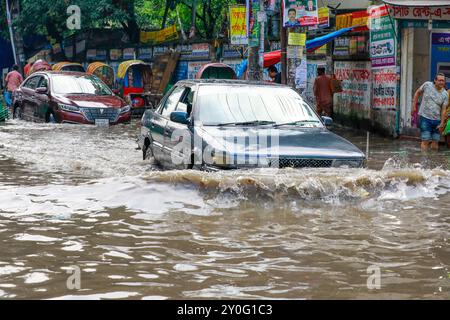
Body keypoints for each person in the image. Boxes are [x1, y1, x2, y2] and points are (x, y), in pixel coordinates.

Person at [412, 73, 449, 151]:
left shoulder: (445, 94)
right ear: (435, 80)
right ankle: (424, 160)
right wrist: (414, 106)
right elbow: (417, 93)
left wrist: (442, 123)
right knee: (425, 140)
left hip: (437, 120)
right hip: (425, 118)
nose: (441, 82)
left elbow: (443, 110)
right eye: (439, 80)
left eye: (443, 81)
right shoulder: (427, 85)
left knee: (435, 141)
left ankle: (432, 160)